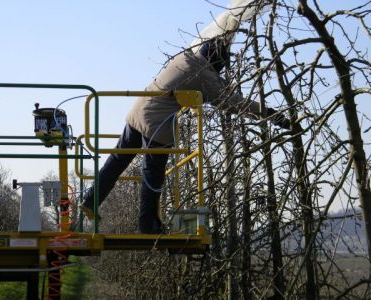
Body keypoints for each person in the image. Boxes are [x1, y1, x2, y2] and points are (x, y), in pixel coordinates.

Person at [80, 37, 290, 234]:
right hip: (157, 124)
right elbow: (231, 101)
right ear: (216, 62)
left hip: (137, 112)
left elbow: (216, 83)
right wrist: (270, 115)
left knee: (117, 160)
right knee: (153, 174)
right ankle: (148, 224)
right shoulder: (204, 75)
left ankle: (90, 200)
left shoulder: (185, 57)